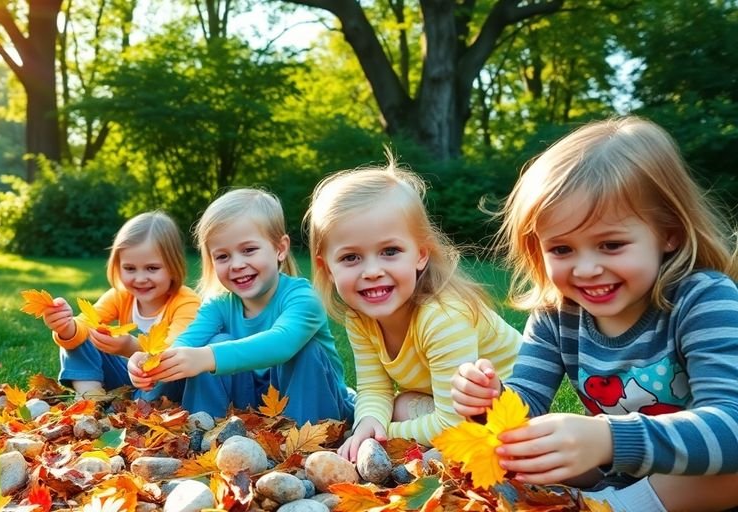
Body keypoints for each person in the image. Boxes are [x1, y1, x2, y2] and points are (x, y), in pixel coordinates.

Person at [450, 117, 738, 512]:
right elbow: (527, 401)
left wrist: (608, 437)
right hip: (613, 473)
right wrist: (490, 401)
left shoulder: (702, 298)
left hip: (703, 474)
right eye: (562, 250)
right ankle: (605, 500)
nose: (585, 269)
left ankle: (613, 506)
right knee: (525, 452)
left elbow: (731, 427)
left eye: (611, 244)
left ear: (668, 233)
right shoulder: (557, 314)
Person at [304, 159, 523, 462]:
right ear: (326, 268)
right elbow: (373, 387)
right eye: (351, 257)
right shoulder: (361, 318)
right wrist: (368, 423)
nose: (371, 271)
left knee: (435, 447)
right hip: (454, 408)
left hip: (515, 412)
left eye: (389, 252)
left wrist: (383, 434)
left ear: (421, 254)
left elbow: (454, 423)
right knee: (399, 404)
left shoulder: (442, 316)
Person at [127, 188, 354, 424]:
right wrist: (154, 362)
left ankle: (302, 443)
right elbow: (186, 343)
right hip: (248, 407)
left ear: (280, 248)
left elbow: (281, 343)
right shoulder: (219, 304)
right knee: (212, 343)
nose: (236, 264)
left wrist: (206, 357)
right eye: (223, 256)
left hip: (312, 405)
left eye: (248, 250)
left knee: (306, 350)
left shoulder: (302, 298)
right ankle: (204, 430)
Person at [42, 211, 200, 398]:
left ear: (174, 268)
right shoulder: (120, 296)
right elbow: (84, 324)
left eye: (152, 268)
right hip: (125, 378)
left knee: (166, 370)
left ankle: (140, 407)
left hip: (163, 383)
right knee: (84, 332)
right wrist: (64, 326)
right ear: (117, 266)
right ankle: (91, 400)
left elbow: (176, 351)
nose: (140, 279)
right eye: (130, 268)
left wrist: (130, 347)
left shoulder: (186, 302)